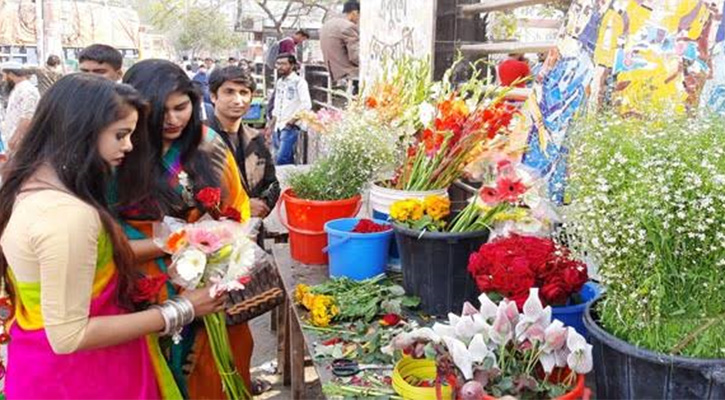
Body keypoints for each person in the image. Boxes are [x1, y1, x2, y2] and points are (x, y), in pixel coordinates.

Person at [0, 73, 223, 399]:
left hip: (51, 364)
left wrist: (170, 243)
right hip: (83, 378)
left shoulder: (29, 188)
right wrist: (182, 309)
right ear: (82, 131)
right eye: (120, 135)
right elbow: (69, 335)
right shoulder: (66, 215)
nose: (129, 146)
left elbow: (82, 268)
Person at [120, 59, 253, 399]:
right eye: (159, 112)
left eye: (181, 107)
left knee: (220, 371)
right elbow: (106, 240)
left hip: (210, 279)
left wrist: (220, 244)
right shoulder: (121, 153)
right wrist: (185, 241)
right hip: (145, 290)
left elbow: (237, 208)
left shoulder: (207, 143)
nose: (173, 119)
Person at [207, 66, 280, 219]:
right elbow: (187, 194)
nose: (238, 100)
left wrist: (262, 206)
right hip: (212, 236)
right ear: (213, 96)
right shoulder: (198, 138)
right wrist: (241, 207)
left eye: (244, 93)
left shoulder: (256, 138)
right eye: (229, 92)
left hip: (252, 233)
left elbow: (271, 183)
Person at [271, 53, 311, 165]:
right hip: (278, 126)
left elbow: (306, 104)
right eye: (278, 64)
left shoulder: (299, 82)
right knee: (286, 160)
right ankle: (289, 182)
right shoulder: (279, 82)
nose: (280, 67)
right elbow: (277, 103)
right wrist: (271, 124)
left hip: (290, 126)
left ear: (292, 65)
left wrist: (292, 121)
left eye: (283, 64)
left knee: (281, 159)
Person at [1, 62, 40, 152]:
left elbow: (27, 117)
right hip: (14, 141)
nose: (3, 79)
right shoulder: (17, 89)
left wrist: (15, 137)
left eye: (4, 76)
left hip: (22, 142)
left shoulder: (28, 90)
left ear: (10, 75)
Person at [320, 1, 360, 86]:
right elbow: (355, 56)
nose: (359, 20)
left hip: (332, 73)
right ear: (355, 12)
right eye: (359, 16)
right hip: (348, 75)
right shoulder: (348, 26)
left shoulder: (327, 25)